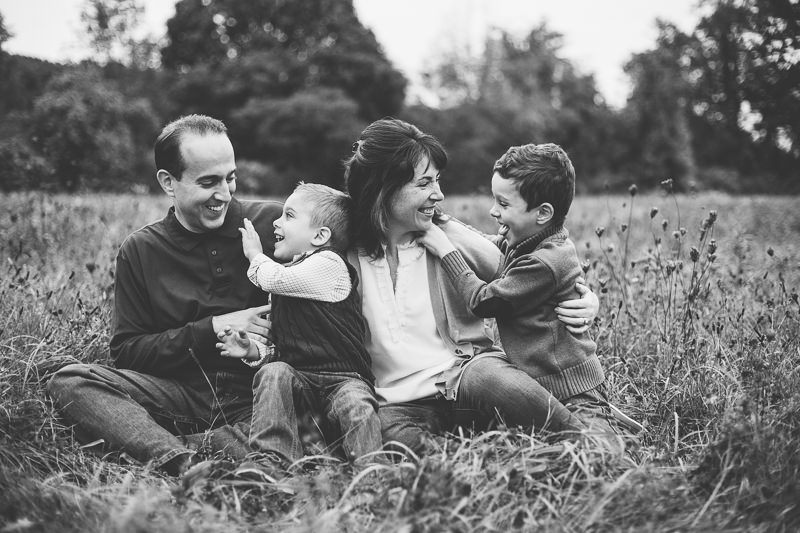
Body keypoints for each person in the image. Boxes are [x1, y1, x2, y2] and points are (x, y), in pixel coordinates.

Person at [342, 119, 601, 453]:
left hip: (466, 379)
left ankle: (586, 443)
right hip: (401, 404)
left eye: (437, 181)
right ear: (383, 188)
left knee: (487, 375)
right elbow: (292, 247)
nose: (439, 194)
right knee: (392, 436)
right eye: (425, 183)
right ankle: (472, 460)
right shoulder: (341, 249)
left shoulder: (446, 235)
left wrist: (585, 295)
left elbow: (529, 271)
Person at [46, 114, 283, 474]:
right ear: (168, 182)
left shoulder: (274, 224)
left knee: (301, 405)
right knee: (70, 381)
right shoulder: (141, 249)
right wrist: (214, 327)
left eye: (230, 178)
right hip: (180, 394)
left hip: (261, 394)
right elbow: (128, 353)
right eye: (208, 182)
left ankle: (163, 446)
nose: (224, 194)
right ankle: (184, 460)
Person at [417, 143, 625, 437]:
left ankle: (609, 428)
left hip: (573, 392)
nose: (493, 211)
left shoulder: (544, 262)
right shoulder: (531, 242)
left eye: (503, 204)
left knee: (595, 449)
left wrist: (446, 251)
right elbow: (488, 244)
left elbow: (484, 302)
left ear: (542, 213)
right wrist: (444, 220)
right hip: (541, 385)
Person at [217, 182, 381, 465]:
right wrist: (253, 351)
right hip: (301, 386)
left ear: (320, 236)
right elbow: (285, 348)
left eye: (289, 216)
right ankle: (272, 461)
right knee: (275, 372)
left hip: (343, 382)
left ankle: (373, 473)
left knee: (355, 403)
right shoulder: (292, 278)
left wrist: (255, 255)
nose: (276, 223)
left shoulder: (329, 264)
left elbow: (273, 278)